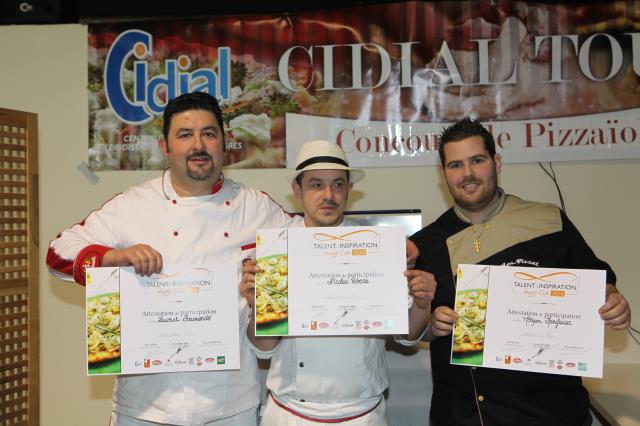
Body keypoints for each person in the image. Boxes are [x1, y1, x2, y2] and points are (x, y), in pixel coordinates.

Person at [46, 91, 298, 426]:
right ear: (165, 147)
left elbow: (312, 251)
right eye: (185, 135)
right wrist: (113, 257)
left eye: (209, 133)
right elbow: (57, 253)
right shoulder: (131, 205)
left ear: (225, 143)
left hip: (231, 405)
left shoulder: (257, 207)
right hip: (144, 407)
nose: (199, 145)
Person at [409, 117, 631, 426]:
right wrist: (432, 325)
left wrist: (614, 300)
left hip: (554, 413)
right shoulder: (425, 244)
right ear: (443, 173)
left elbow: (598, 280)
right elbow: (412, 329)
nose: (468, 174)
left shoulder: (547, 220)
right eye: (455, 165)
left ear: (496, 162)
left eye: (477, 160)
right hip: (467, 415)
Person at [240, 140, 436, 425]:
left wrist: (422, 304)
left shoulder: (376, 246)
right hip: (289, 414)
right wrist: (258, 306)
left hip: (363, 414)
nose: (328, 195)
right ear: (298, 190)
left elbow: (407, 336)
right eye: (316, 185)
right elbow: (264, 347)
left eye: (338, 184)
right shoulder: (276, 250)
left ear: (349, 190)